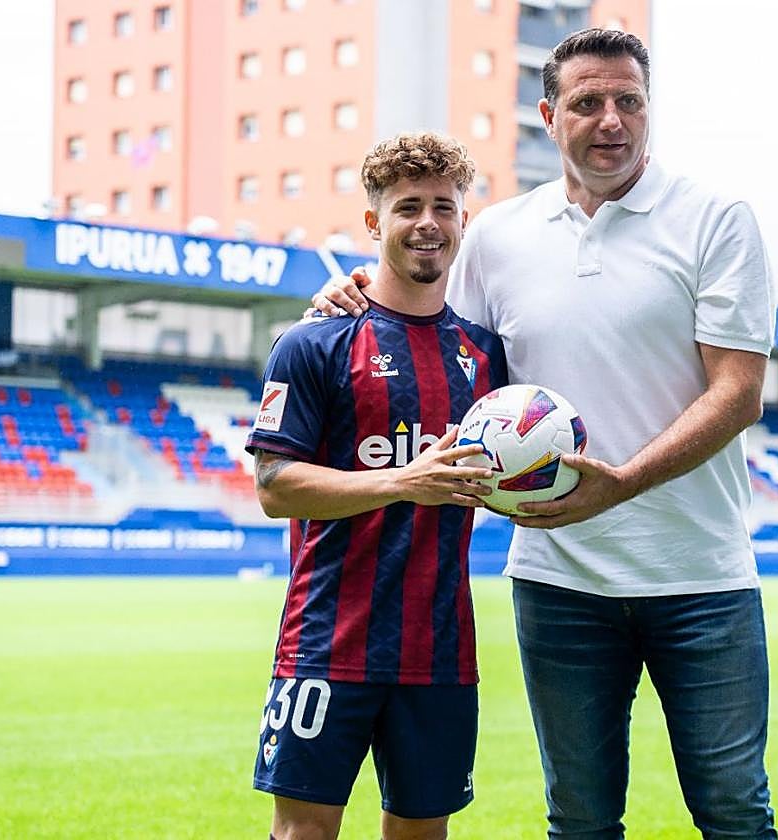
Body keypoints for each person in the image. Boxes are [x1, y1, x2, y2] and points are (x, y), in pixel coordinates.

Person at [311, 28, 778, 840]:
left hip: (700, 578)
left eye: (628, 101)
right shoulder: (496, 236)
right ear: (549, 115)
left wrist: (622, 481)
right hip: (559, 583)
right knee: (580, 821)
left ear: (647, 110)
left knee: (735, 811)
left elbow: (738, 395)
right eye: (588, 103)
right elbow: (430, 329)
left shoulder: (716, 219)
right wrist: (352, 289)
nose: (611, 120)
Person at [245, 131, 509, 840]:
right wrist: (404, 480)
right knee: (303, 833)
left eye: (444, 207)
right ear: (374, 222)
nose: (428, 222)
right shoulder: (313, 343)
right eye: (408, 206)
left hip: (442, 648)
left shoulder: (488, 359)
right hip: (327, 640)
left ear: (463, 220)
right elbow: (275, 486)